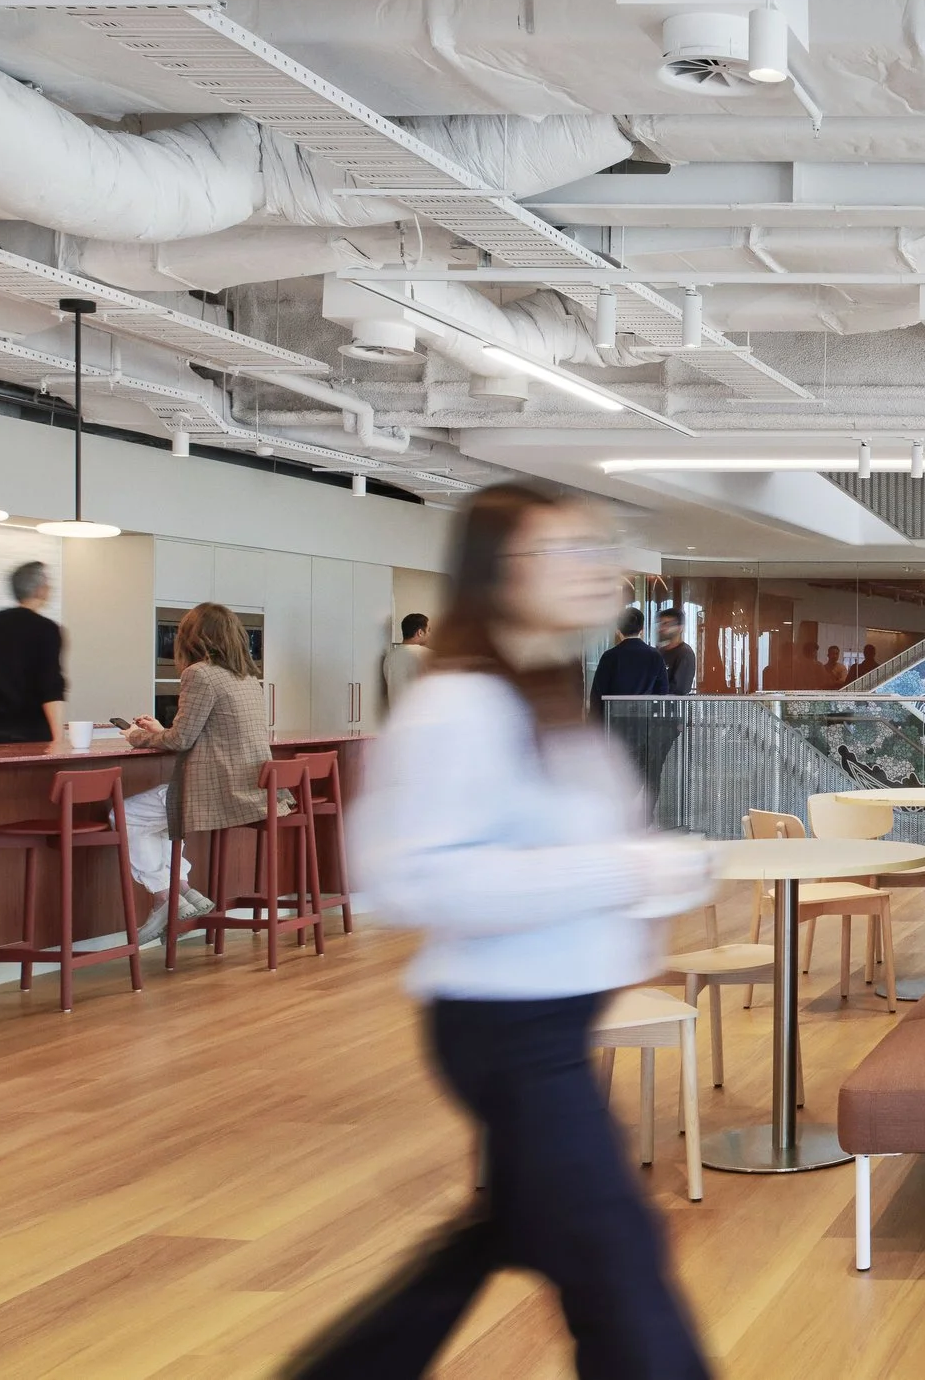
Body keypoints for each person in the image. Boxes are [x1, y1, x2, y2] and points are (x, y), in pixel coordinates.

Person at [284, 484, 716, 1380]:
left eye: (599, 549)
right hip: (507, 1030)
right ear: (501, 574)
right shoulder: (460, 707)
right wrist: (627, 872)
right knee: (621, 1268)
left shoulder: (546, 700)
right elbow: (412, 876)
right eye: (569, 552)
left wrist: (643, 875)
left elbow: (590, 853)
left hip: (551, 1025)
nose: (598, 569)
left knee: (506, 1235)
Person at [120, 602, 268, 944]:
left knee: (124, 814)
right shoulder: (248, 678)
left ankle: (165, 896)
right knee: (161, 818)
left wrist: (137, 736)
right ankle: (184, 891)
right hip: (252, 790)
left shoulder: (199, 673)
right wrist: (162, 731)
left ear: (193, 637)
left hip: (218, 792)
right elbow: (202, 733)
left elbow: (182, 740)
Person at [0, 560, 64, 744]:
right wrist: (59, 739)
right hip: (34, 734)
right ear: (40, 589)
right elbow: (50, 687)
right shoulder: (46, 629)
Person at [589, 605, 670, 712]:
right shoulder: (655, 656)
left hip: (614, 716)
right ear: (642, 630)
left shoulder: (609, 656)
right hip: (645, 716)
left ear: (618, 630)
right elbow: (662, 690)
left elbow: (597, 694)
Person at [383, 612, 432, 708]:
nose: (430, 634)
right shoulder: (428, 655)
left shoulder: (390, 657)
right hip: (422, 714)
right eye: (429, 630)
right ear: (420, 632)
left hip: (397, 714)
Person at [654, 609, 697, 696]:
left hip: (672, 703)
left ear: (680, 628)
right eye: (660, 624)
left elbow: (679, 689)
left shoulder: (685, 653)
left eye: (666, 624)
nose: (662, 628)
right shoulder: (660, 652)